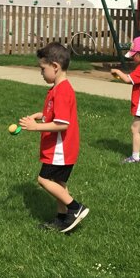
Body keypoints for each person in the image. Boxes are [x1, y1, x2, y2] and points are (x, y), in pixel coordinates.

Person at [18, 42, 89, 233]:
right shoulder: (58, 89)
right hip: (62, 148)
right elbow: (56, 114)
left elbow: (62, 124)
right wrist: (40, 115)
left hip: (60, 148)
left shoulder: (63, 91)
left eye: (43, 69)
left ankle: (75, 208)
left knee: (44, 180)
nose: (41, 73)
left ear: (55, 67)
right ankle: (62, 218)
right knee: (58, 183)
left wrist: (35, 127)